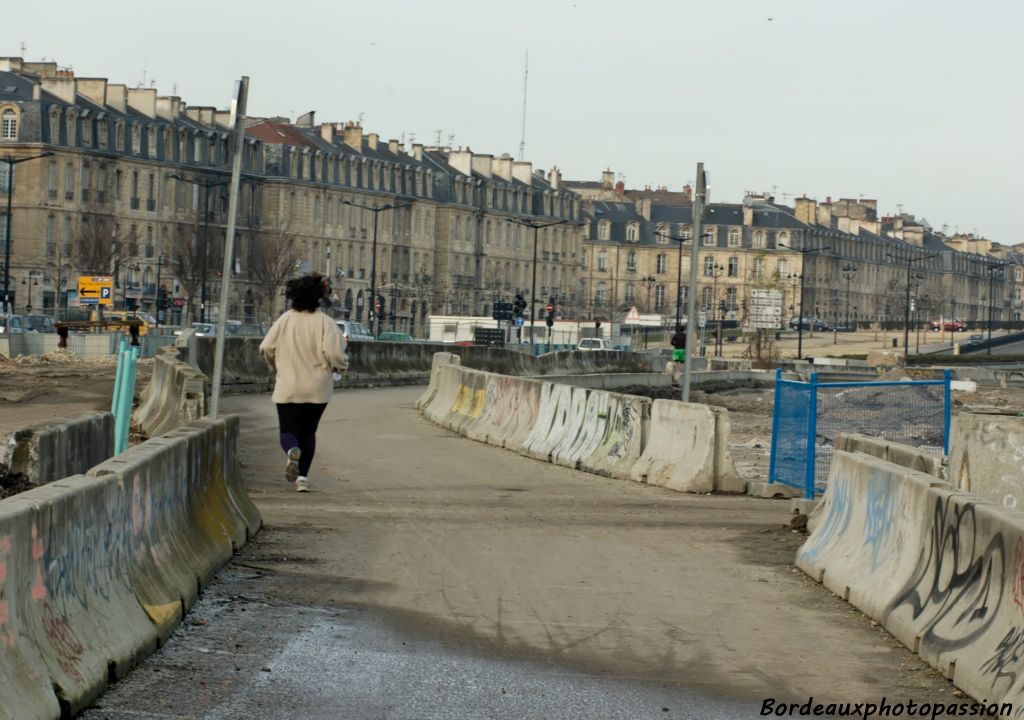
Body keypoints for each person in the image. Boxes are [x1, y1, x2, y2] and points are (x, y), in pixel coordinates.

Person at [259, 273, 348, 492]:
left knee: (288, 431)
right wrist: (340, 366)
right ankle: (302, 480)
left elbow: (266, 347)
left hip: (288, 384)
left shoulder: (285, 320)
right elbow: (334, 352)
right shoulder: (326, 323)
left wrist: (275, 365)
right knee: (309, 432)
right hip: (317, 386)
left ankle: (291, 451)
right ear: (319, 297)